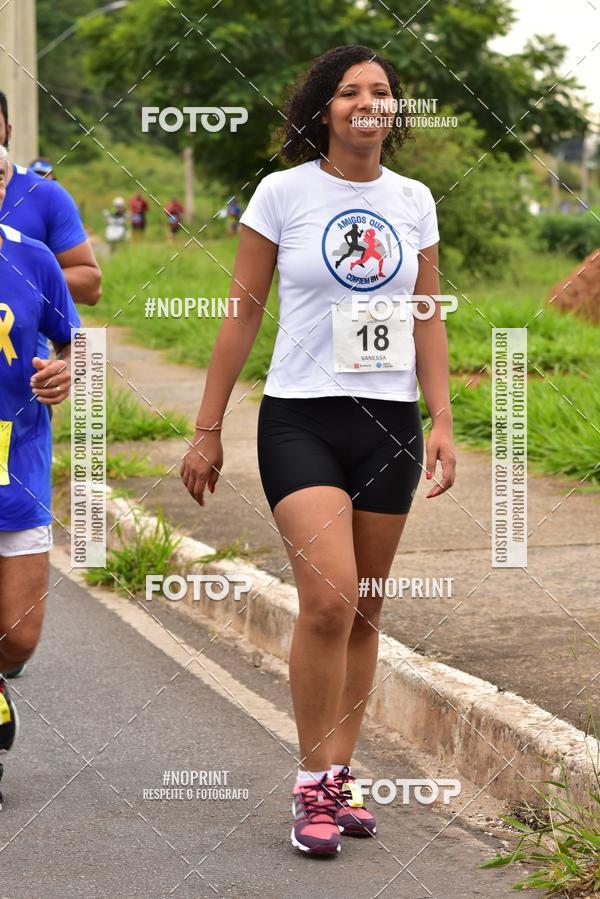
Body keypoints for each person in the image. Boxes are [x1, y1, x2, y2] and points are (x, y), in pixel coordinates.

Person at [180, 45, 456, 857]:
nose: (367, 102)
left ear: (394, 111)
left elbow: (428, 313)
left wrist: (442, 420)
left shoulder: (413, 199)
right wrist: (207, 426)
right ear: (322, 108)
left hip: (389, 423)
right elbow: (241, 315)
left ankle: (340, 773)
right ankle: (308, 787)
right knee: (330, 598)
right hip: (299, 419)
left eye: (381, 92)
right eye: (349, 91)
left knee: (367, 605)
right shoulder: (283, 193)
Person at [0, 145, 78, 768]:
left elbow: (74, 343)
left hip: (15, 464)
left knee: (19, 636)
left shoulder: (32, 257)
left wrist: (66, 371)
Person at [0, 91, 101, 309]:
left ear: (8, 132)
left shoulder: (48, 196)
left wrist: (23, 278)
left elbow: (91, 286)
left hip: (23, 341)